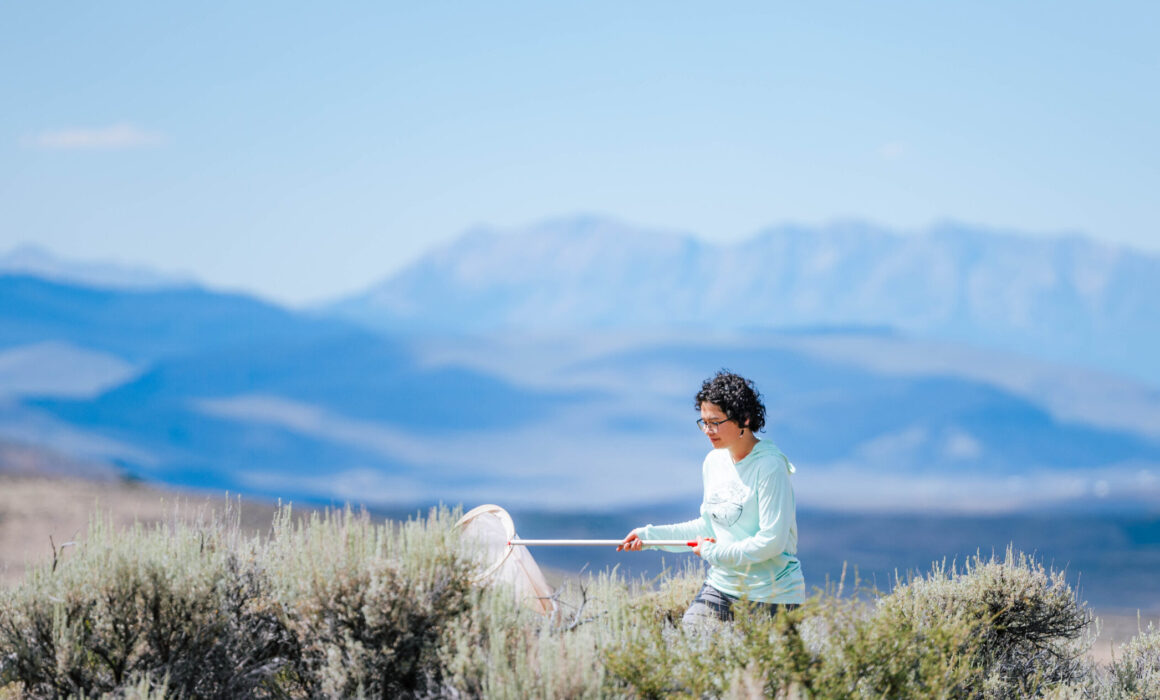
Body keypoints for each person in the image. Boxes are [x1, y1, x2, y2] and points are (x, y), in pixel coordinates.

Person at [618, 371, 804, 626]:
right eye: (703, 422)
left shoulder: (770, 466)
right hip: (722, 586)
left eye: (715, 422)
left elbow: (771, 541)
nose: (707, 431)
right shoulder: (713, 462)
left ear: (744, 419)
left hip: (772, 594)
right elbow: (708, 527)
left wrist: (713, 553)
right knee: (691, 643)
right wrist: (649, 537)